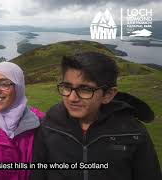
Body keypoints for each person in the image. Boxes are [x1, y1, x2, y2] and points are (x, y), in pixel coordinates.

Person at [31, 52, 161, 180]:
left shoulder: (132, 131)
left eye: (85, 89)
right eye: (67, 87)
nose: (72, 98)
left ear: (108, 95)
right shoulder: (50, 124)